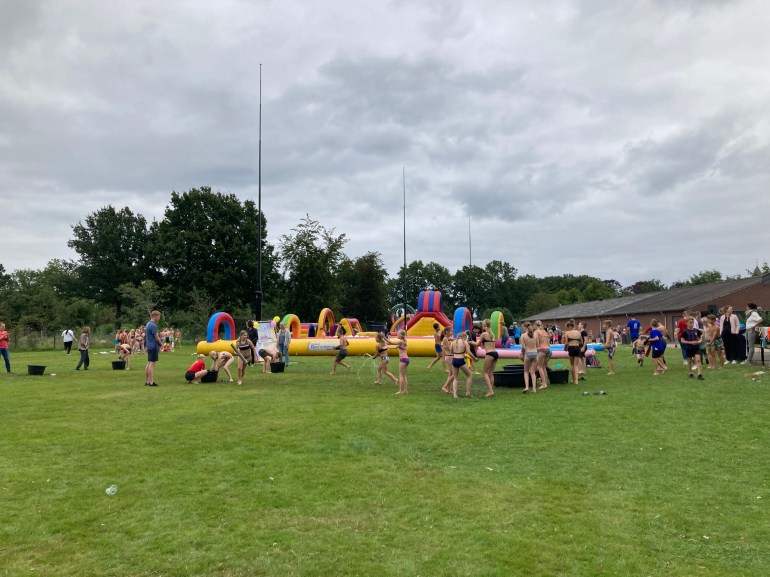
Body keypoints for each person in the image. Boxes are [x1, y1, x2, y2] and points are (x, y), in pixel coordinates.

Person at [449, 331, 474, 398]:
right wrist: (474, 358)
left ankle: (455, 394)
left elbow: (451, 352)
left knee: (455, 378)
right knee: (469, 375)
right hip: (461, 360)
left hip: (454, 360)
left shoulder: (453, 342)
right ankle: (468, 393)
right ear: (463, 337)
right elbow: (468, 352)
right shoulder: (464, 342)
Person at [477, 319, 497, 397]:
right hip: (495, 353)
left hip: (489, 354)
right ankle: (491, 390)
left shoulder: (483, 334)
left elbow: (477, 344)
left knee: (485, 373)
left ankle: (490, 391)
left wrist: (471, 342)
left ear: (484, 325)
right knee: (491, 373)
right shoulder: (492, 334)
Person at [388, 329, 409, 395]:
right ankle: (405, 390)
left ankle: (401, 391)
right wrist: (387, 346)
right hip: (406, 359)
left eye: (398, 334)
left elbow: (391, 343)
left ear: (401, 335)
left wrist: (384, 338)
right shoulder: (403, 341)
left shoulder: (400, 341)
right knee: (404, 375)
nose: (397, 335)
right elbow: (395, 347)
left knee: (401, 375)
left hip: (403, 359)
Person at [144, 310, 162, 386]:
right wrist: (161, 344)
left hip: (149, 346)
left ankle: (147, 381)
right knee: (152, 364)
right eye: (158, 317)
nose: (159, 318)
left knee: (149, 363)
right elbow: (156, 337)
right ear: (154, 316)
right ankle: (151, 382)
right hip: (153, 346)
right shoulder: (153, 325)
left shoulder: (148, 324)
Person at [562, 321, 582, 385]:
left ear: (570, 326)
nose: (566, 328)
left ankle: (573, 380)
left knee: (572, 365)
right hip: (577, 348)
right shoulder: (578, 332)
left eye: (566, 327)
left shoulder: (567, 333)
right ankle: (576, 381)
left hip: (571, 348)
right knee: (576, 365)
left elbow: (566, 343)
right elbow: (581, 342)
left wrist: (565, 348)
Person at [521, 322, 539, 392]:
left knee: (526, 371)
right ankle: (534, 389)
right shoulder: (535, 334)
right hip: (535, 353)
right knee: (533, 372)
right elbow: (537, 345)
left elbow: (523, 347)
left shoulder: (523, 336)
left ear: (525, 327)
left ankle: (527, 387)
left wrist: (523, 354)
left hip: (528, 353)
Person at [534, 320, 551, 390]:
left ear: (535, 325)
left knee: (539, 367)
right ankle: (544, 382)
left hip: (542, 349)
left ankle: (544, 384)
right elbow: (548, 343)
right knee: (544, 367)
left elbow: (536, 342)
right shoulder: (544, 332)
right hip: (548, 349)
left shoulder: (536, 332)